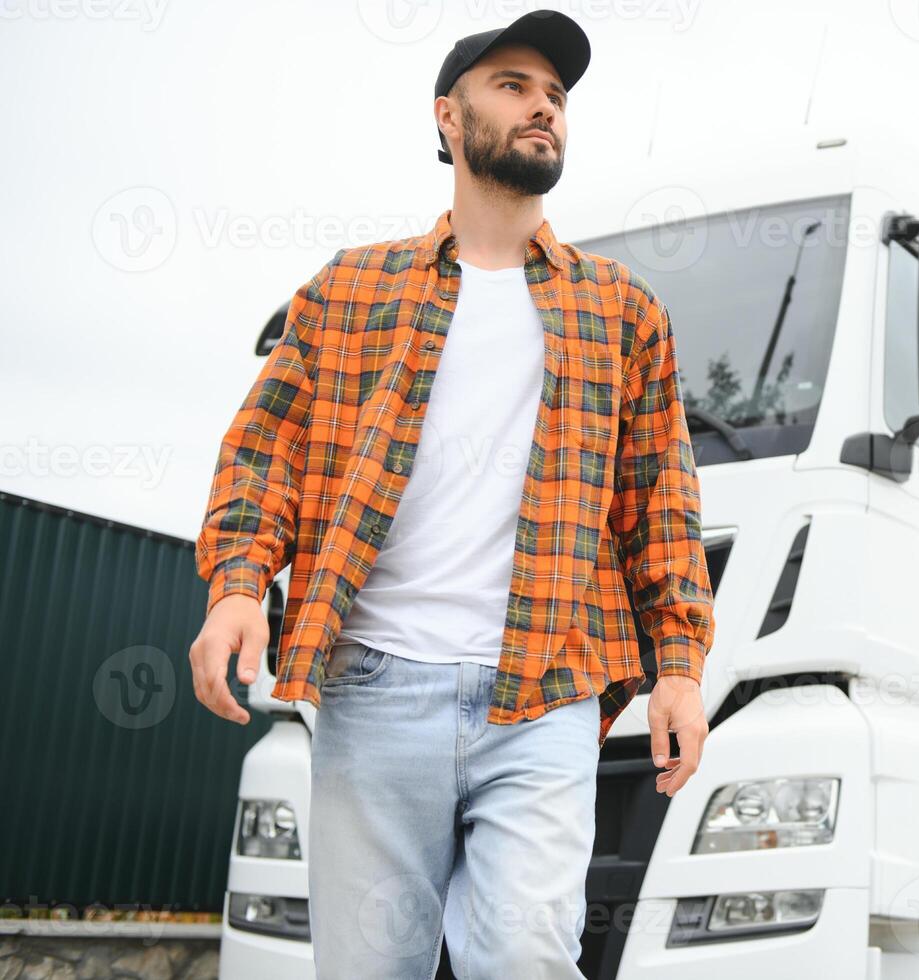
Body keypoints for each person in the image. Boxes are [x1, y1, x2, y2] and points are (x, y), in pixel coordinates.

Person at [188, 11, 715, 977]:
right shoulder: (350, 292)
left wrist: (677, 664)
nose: (542, 107)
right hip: (375, 687)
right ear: (448, 115)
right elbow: (264, 453)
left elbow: (662, 504)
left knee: (525, 957)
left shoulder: (622, 310)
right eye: (513, 85)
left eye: (555, 95)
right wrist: (234, 587)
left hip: (546, 693)